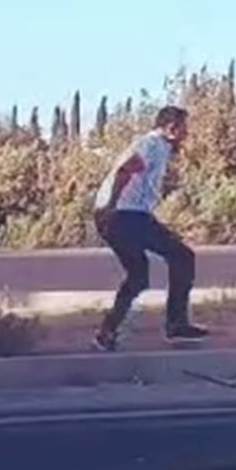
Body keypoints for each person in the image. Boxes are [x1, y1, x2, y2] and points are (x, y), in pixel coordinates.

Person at [92, 105, 207, 351]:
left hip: (122, 216)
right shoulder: (152, 145)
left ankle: (107, 331)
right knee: (182, 256)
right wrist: (111, 207)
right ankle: (176, 324)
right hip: (125, 215)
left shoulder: (154, 145)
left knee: (138, 276)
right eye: (184, 128)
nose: (187, 134)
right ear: (171, 128)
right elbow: (125, 171)